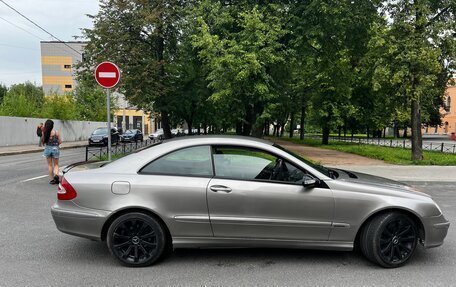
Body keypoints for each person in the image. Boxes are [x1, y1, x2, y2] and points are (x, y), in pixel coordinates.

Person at [42, 119, 62, 184]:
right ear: (52, 126)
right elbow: (60, 141)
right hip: (55, 149)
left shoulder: (44, 133)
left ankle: (52, 179)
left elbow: (43, 142)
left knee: (50, 165)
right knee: (56, 164)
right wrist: (56, 144)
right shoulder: (56, 132)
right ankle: (56, 175)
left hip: (47, 149)